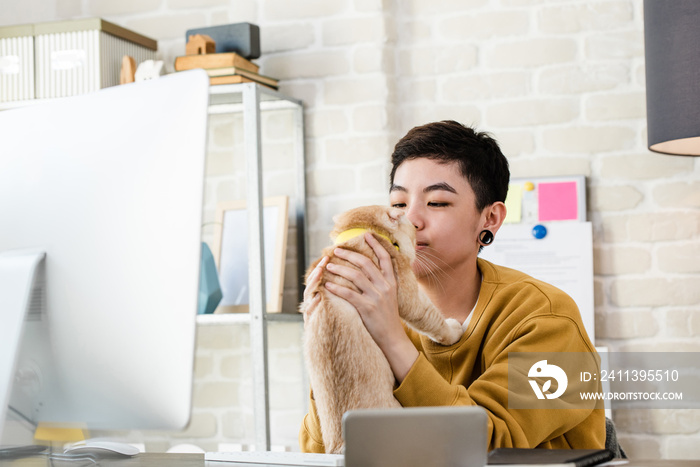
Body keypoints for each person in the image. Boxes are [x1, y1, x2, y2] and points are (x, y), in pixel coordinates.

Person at [299, 120, 605, 452]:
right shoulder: (372, 308)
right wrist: (327, 341)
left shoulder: (547, 317)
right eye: (398, 204)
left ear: (490, 219)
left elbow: (487, 443)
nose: (410, 221)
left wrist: (391, 339)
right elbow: (323, 450)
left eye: (437, 203)